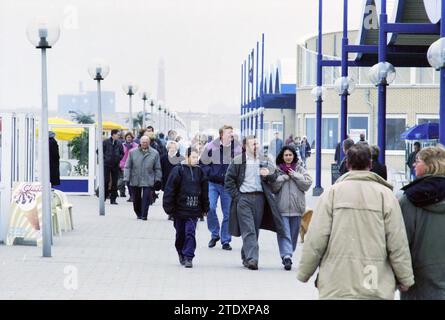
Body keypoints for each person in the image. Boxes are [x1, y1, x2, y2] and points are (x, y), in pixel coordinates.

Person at [297, 144, 414, 299]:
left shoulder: (331, 194)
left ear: (347, 164)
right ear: (371, 164)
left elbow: (316, 237)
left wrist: (305, 272)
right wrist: (405, 277)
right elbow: (397, 240)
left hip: (337, 280)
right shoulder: (386, 196)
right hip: (374, 280)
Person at [224, 135, 286, 270]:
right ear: (246, 146)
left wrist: (267, 174)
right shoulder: (238, 161)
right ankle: (253, 259)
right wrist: (237, 196)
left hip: (259, 199)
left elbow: (275, 175)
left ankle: (246, 255)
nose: (256, 146)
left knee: (254, 229)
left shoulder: (264, 160)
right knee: (249, 229)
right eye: (253, 144)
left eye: (257, 143)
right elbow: (229, 180)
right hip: (243, 199)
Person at [399, 145, 445, 300]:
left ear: (430, 165)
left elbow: (401, 240)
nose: (413, 164)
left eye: (417, 161)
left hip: (418, 278)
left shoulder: (409, 199)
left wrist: (401, 276)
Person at [163, 147, 210, 268]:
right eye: (193, 157)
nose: (196, 159)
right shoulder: (178, 170)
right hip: (179, 209)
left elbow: (205, 191)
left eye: (197, 157)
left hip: (194, 209)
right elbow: (170, 189)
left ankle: (189, 256)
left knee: (190, 232)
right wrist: (169, 207)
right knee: (180, 234)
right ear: (187, 157)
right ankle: (181, 253)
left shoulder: (200, 172)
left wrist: (205, 208)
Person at [200, 125, 242, 250]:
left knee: (228, 213)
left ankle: (225, 240)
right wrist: (210, 173)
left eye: (232, 132)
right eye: (229, 132)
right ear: (221, 134)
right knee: (210, 208)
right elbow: (203, 163)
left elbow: (241, 165)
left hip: (228, 185)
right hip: (212, 183)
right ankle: (214, 233)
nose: (231, 134)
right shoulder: (211, 146)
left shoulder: (238, 148)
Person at [270, 146, 312, 271]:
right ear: (282, 157)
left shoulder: (300, 169)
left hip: (297, 208)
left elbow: (307, 184)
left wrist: (295, 175)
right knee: (284, 233)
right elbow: (273, 187)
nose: (288, 157)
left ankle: (288, 252)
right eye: (286, 155)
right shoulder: (277, 170)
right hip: (281, 208)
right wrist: (283, 178)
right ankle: (287, 256)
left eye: (290, 155)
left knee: (293, 235)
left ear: (294, 156)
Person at [124, 136, 162, 220]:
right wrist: (126, 177)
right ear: (140, 142)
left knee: (146, 198)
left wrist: (158, 179)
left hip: (148, 178)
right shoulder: (132, 152)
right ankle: (138, 213)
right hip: (135, 178)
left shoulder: (155, 153)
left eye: (146, 142)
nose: (144, 143)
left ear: (149, 143)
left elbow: (157, 168)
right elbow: (127, 166)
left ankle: (144, 215)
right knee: (136, 199)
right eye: (143, 142)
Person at [161, 141, 185, 221]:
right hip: (166, 180)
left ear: (177, 148)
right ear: (167, 148)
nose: (172, 149)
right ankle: (170, 212)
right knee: (168, 197)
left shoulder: (181, 158)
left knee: (177, 197)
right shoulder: (163, 157)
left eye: (174, 147)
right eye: (170, 147)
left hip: (178, 181)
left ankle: (173, 213)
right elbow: (160, 169)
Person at [103, 129, 124, 204]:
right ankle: (104, 197)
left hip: (115, 165)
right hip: (106, 164)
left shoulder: (119, 143)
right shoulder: (105, 142)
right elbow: (99, 151)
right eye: (117, 134)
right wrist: (105, 159)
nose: (119, 136)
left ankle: (113, 199)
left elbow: (122, 153)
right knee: (106, 181)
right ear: (113, 134)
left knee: (115, 182)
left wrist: (118, 158)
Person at [119, 132, 138, 202]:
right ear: (125, 138)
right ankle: (131, 195)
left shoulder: (136, 145)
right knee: (127, 181)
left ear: (132, 138)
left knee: (132, 181)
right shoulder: (122, 145)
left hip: (133, 165)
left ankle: (133, 196)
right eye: (127, 137)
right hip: (124, 165)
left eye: (130, 137)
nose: (128, 138)